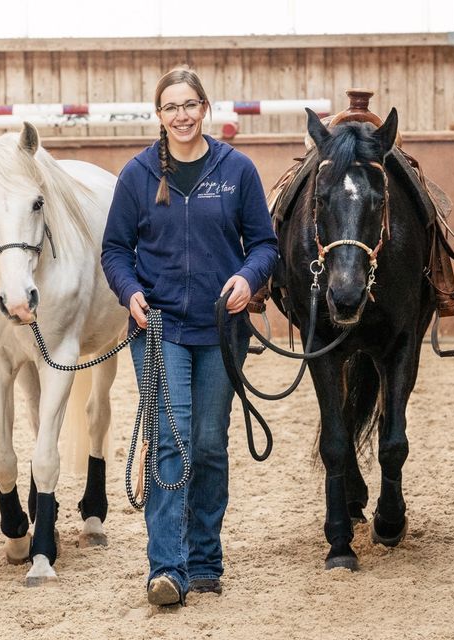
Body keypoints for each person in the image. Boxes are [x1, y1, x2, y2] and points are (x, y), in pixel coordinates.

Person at [101, 67, 278, 606]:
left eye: (190, 105)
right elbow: (114, 251)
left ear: (205, 109)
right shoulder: (136, 175)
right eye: (171, 107)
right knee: (170, 444)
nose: (181, 115)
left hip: (222, 330)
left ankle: (204, 560)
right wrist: (129, 291)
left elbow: (265, 245)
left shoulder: (237, 170)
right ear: (159, 115)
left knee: (208, 444)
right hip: (159, 331)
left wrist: (249, 279)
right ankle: (167, 569)